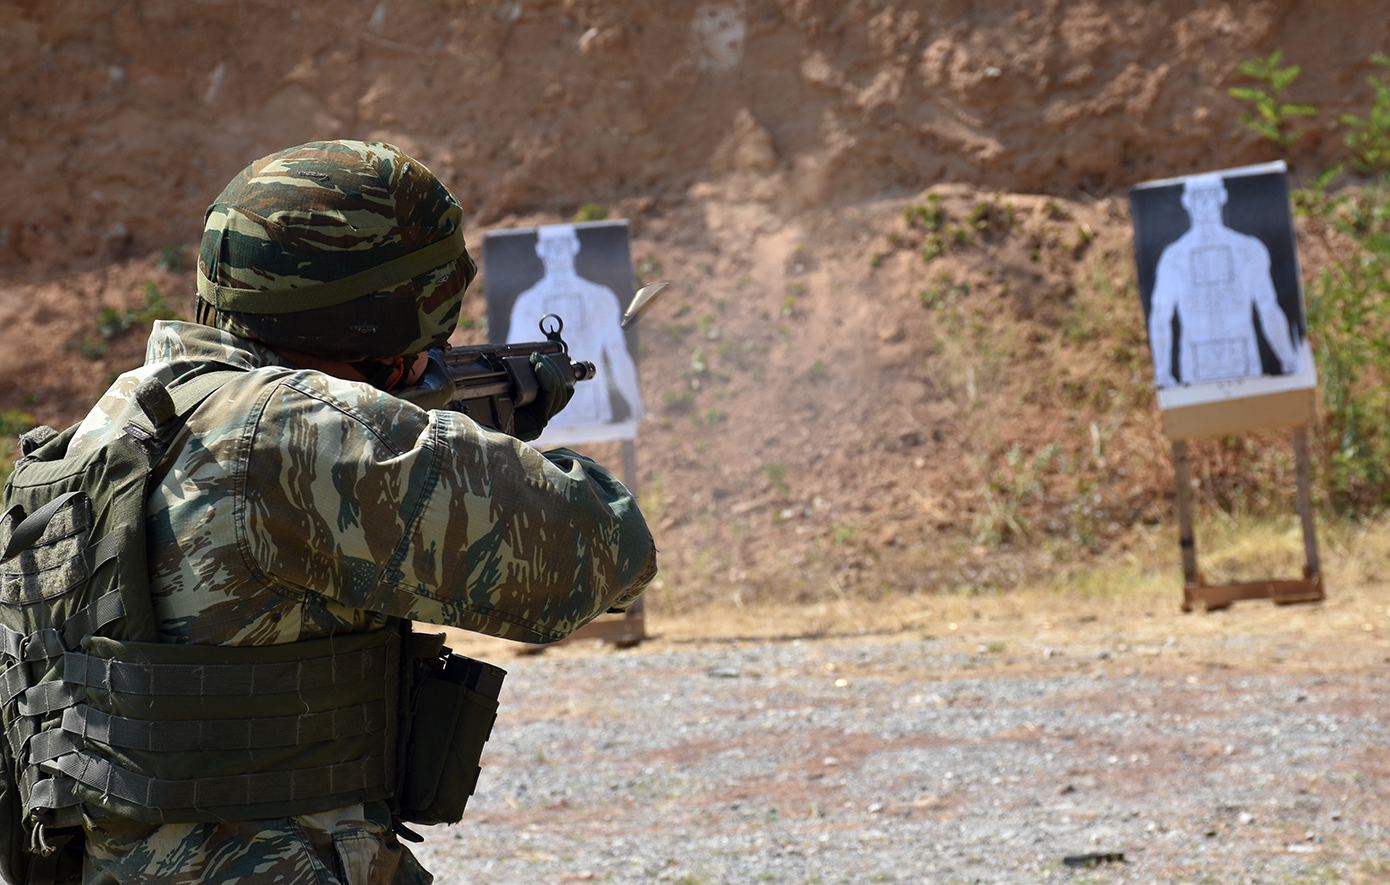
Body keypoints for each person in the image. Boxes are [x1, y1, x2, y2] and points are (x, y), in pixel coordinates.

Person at [33, 141, 657, 884]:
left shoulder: (114, 424)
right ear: (382, 313)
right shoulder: (294, 434)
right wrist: (465, 444)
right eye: (412, 348)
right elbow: (603, 550)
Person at [1147, 174, 1300, 387]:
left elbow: (1269, 309)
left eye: (1210, 195)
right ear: (1186, 201)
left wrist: (1290, 360)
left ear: (1222, 196)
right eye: (1198, 196)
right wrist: (1162, 373)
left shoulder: (1249, 250)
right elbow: (1160, 318)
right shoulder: (1174, 258)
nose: (1205, 204)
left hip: (1247, 368)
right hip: (1195, 373)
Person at [506, 224, 645, 444]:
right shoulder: (527, 304)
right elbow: (512, 364)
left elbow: (618, 356)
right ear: (541, 250)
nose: (558, 252)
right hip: (548, 415)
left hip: (593, 411)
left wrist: (634, 400)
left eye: (563, 245)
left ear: (575, 246)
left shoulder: (600, 298)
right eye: (552, 246)